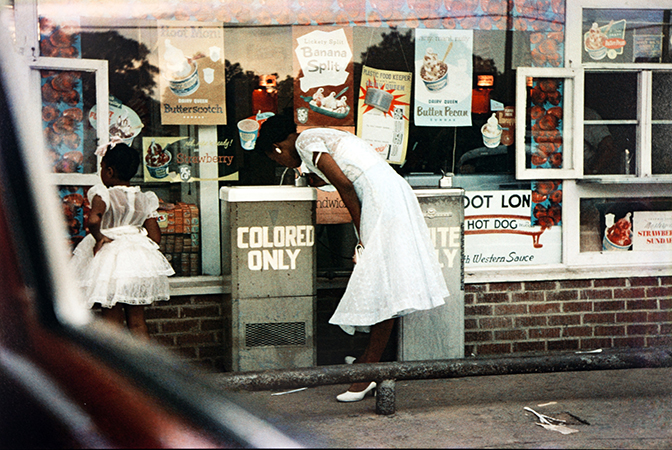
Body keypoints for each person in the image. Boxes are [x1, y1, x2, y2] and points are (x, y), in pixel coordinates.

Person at [256, 115, 449, 402]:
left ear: (276, 148)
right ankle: (367, 362)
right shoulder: (314, 138)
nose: (281, 164)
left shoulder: (307, 142)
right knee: (385, 280)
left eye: (275, 160)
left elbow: (344, 185)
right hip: (387, 193)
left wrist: (362, 234)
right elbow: (346, 170)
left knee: (382, 279)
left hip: (380, 199)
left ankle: (368, 369)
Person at [69, 140, 175, 339]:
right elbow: (155, 236)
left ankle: (115, 366)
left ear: (109, 171)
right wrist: (136, 240)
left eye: (101, 168)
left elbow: (93, 220)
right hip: (136, 264)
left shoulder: (103, 194)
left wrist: (100, 237)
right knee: (137, 321)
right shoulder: (144, 198)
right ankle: (142, 363)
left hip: (109, 264)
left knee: (112, 322)